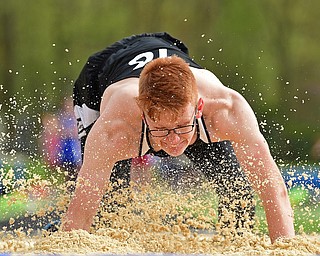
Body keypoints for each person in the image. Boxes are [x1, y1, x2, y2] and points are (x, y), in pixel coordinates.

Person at [61, 32, 294, 243]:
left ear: (199, 107)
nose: (173, 141)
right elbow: (85, 197)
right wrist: (68, 242)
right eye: (162, 129)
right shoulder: (117, 126)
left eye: (181, 127)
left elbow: (271, 187)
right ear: (143, 116)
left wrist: (284, 247)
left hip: (168, 52)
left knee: (236, 190)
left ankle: (233, 244)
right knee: (110, 204)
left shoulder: (226, 110)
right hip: (102, 73)